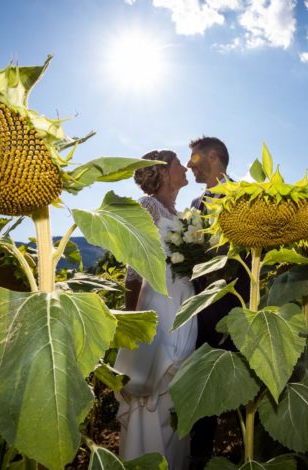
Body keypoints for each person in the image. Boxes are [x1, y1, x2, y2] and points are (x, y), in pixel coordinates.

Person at [114, 150, 197, 470]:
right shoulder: (148, 208)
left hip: (185, 304)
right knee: (153, 387)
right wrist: (132, 323)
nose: (185, 167)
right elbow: (134, 268)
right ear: (163, 172)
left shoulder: (186, 216)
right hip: (157, 305)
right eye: (178, 163)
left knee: (178, 391)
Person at [187, 136, 251, 467]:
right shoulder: (196, 205)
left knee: (245, 383)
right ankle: (200, 454)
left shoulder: (244, 197)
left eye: (194, 157)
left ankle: (249, 450)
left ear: (213, 156)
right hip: (203, 309)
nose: (189, 165)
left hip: (239, 307)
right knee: (203, 378)